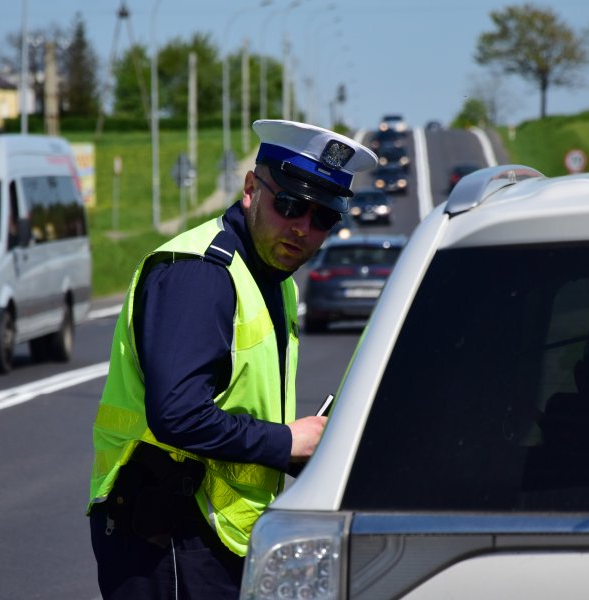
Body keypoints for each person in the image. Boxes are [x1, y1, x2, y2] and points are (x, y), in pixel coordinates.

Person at [87, 119, 378, 599]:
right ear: (250, 189)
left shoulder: (272, 277)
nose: (303, 228)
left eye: (323, 217)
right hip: (168, 532)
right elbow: (177, 415)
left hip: (218, 533)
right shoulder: (202, 275)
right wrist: (286, 442)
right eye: (290, 205)